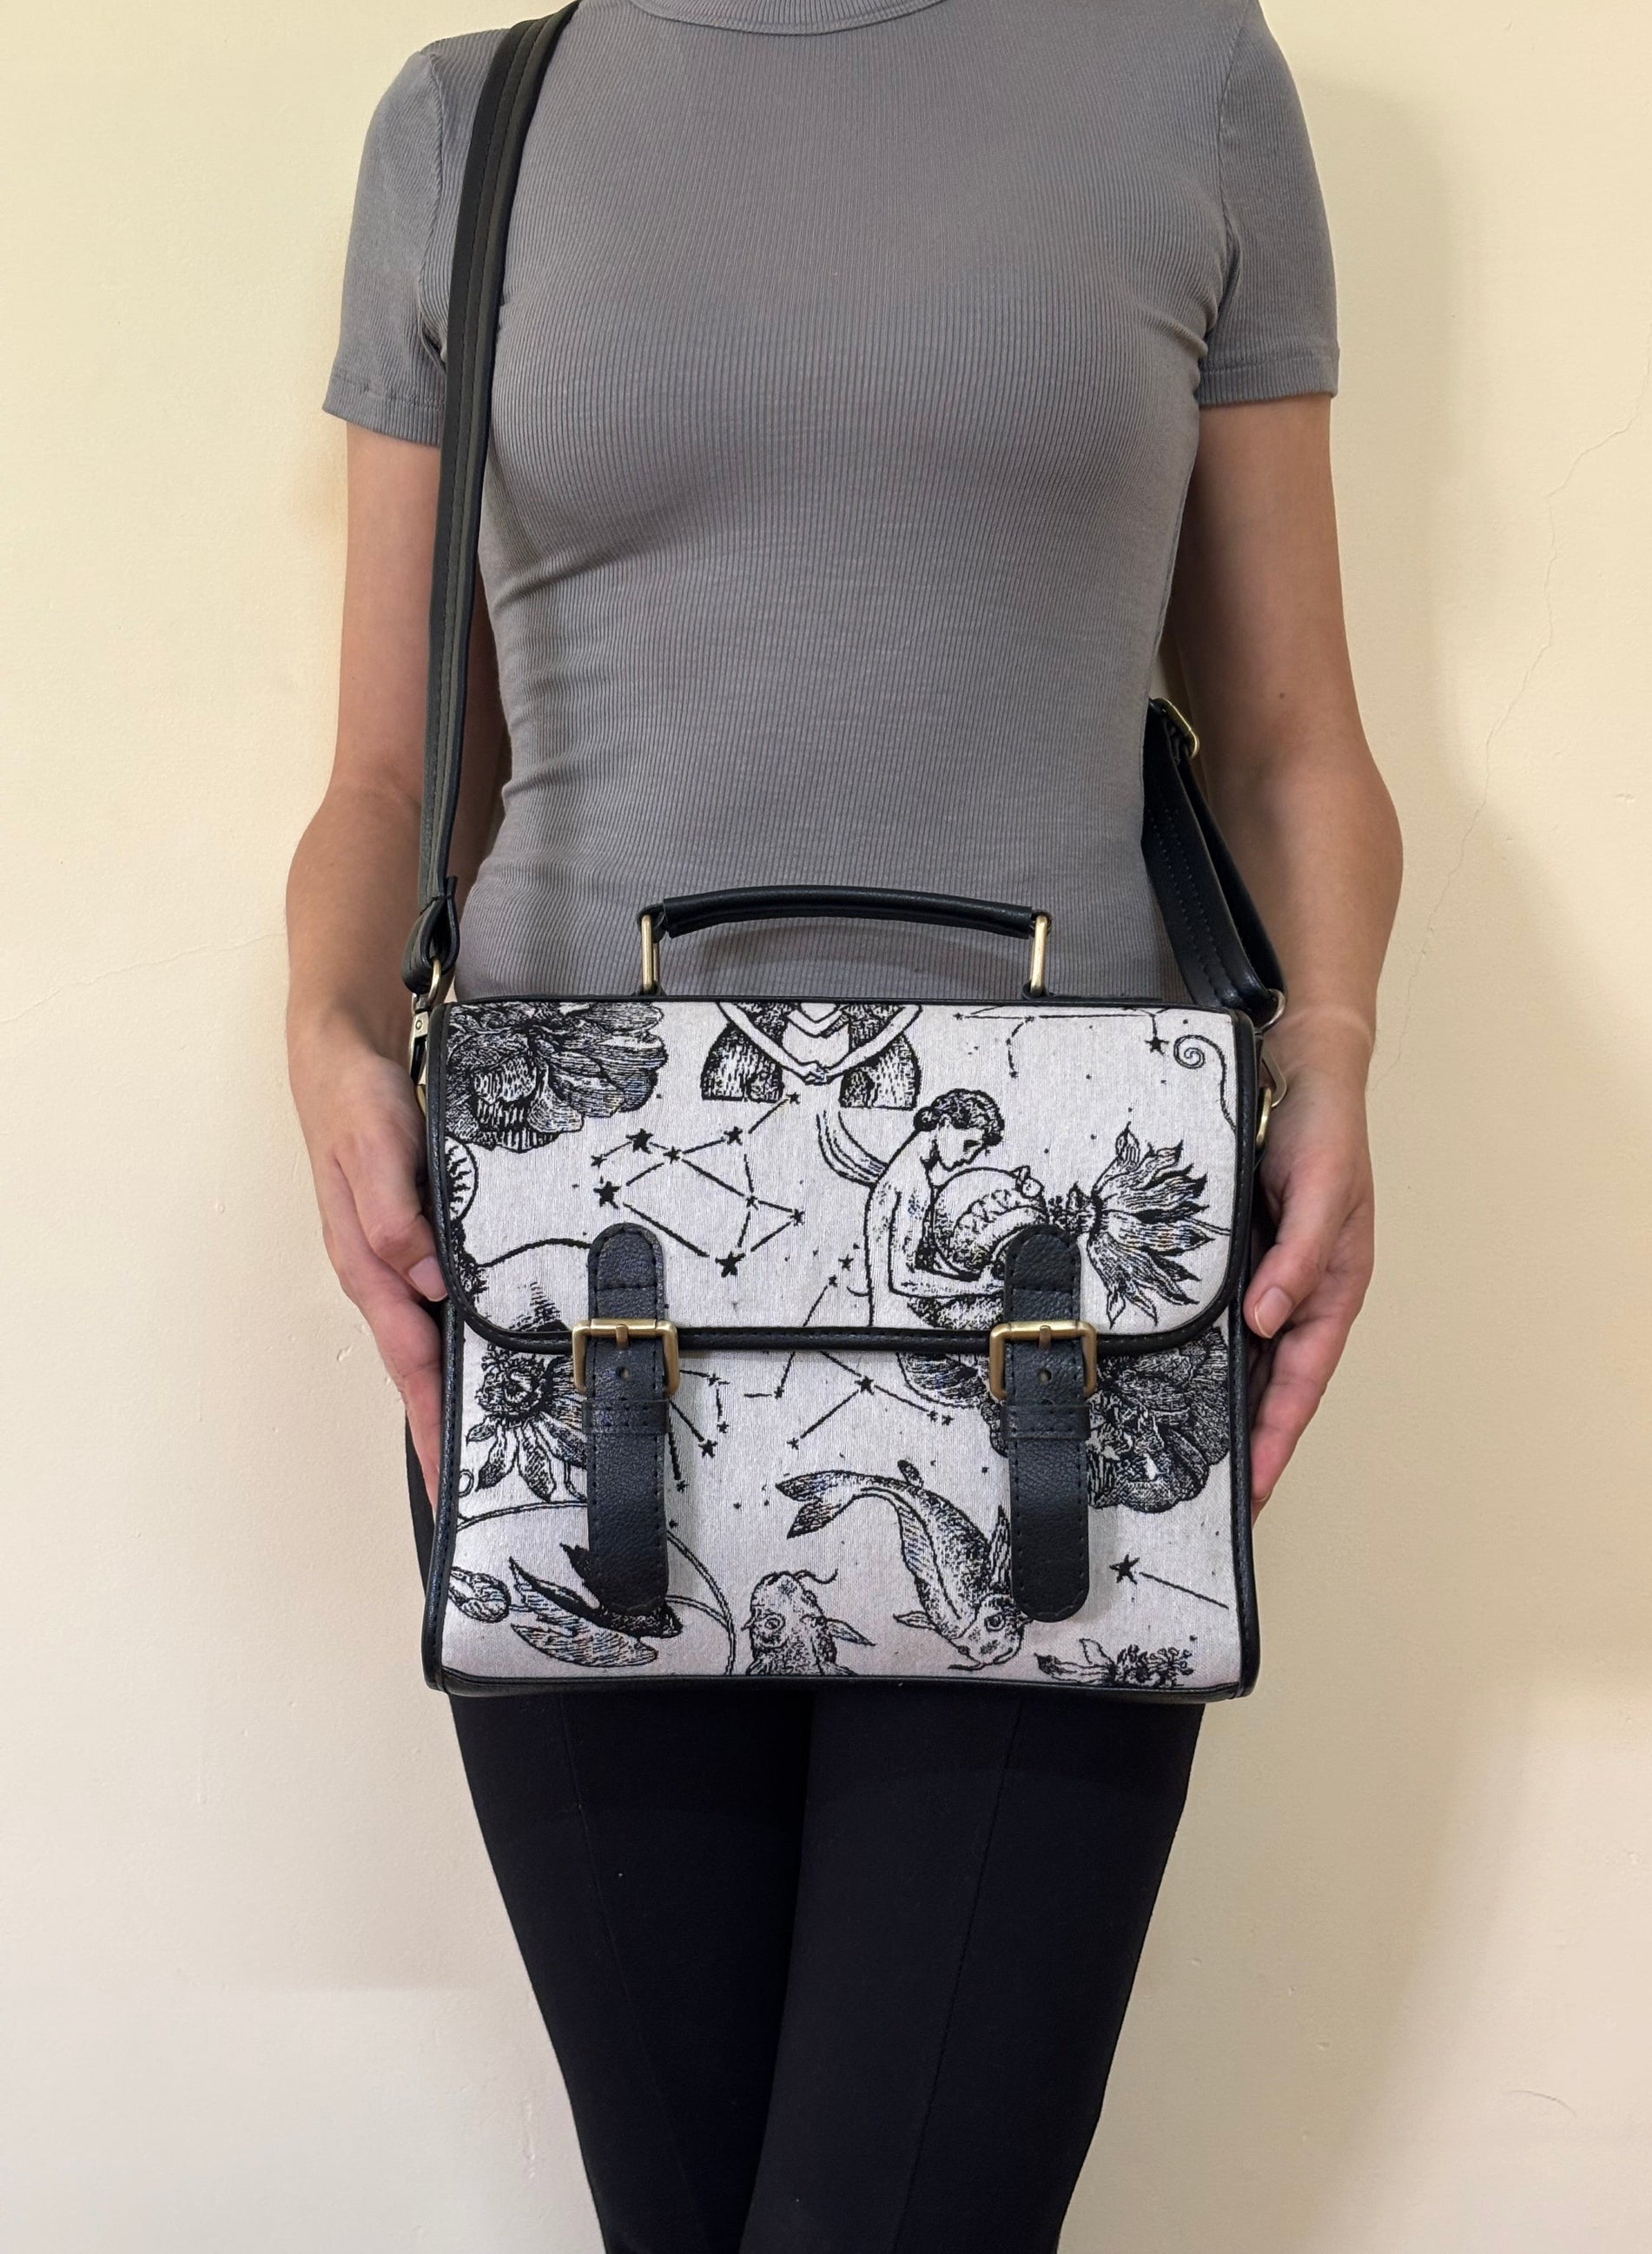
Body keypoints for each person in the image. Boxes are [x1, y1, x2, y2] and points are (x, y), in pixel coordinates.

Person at [287, 0, 1402, 2245]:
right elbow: (395, 775)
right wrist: (324, 1031)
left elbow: (1288, 735)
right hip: (580, 1307)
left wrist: (1336, 1044)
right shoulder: (471, 123)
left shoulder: (1179, 76)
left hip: (1054, 1312)